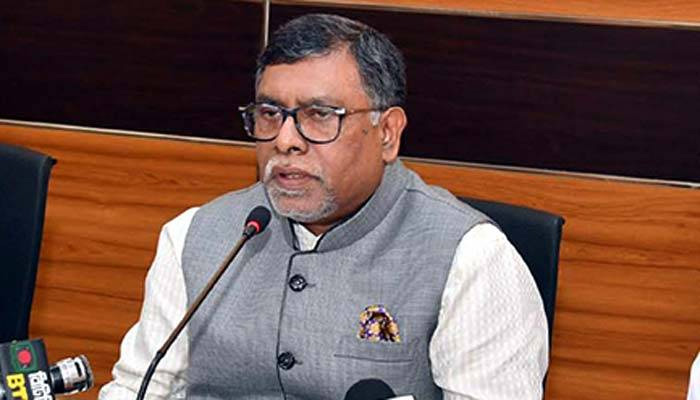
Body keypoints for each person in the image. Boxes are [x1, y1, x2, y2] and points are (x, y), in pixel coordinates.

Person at [99, 13, 548, 400]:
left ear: (387, 133)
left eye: (319, 115)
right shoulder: (194, 236)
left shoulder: (470, 259)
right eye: (270, 113)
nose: (285, 140)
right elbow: (140, 388)